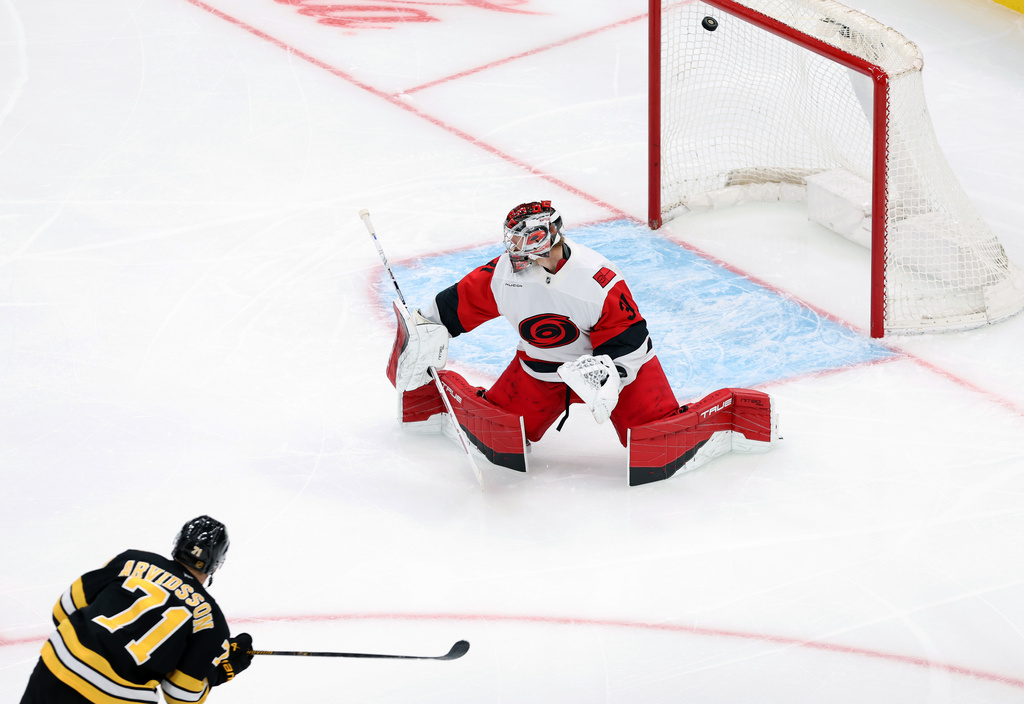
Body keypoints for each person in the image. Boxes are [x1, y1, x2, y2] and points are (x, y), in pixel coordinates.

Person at [392, 200, 681, 447]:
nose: (512, 246)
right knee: (502, 435)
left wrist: (612, 376)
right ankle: (442, 397)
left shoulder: (598, 277)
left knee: (654, 436)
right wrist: (423, 327)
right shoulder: (503, 274)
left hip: (617, 370)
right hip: (540, 367)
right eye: (512, 238)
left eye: (520, 238)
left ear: (542, 237)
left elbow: (627, 334)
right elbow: (461, 302)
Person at [20, 515, 253, 704]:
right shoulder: (212, 622)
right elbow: (182, 695)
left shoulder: (131, 560)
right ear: (217, 564)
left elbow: (64, 609)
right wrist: (217, 671)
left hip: (54, 672)